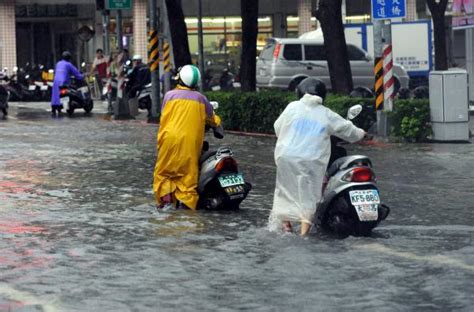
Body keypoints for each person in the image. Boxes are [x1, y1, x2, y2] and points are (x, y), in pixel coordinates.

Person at [269, 78, 366, 236]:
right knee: (309, 196)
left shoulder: (292, 107)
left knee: (285, 190)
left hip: (285, 156)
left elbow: (277, 128)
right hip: (310, 161)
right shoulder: (326, 113)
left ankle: (286, 227)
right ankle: (303, 235)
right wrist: (362, 134)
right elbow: (349, 130)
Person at [153, 64, 221, 210]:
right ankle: (188, 215)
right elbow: (212, 118)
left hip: (168, 142)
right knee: (187, 180)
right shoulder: (201, 99)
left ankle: (164, 201)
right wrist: (218, 124)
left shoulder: (169, 96)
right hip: (189, 145)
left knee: (163, 173)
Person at [50, 51, 84, 117]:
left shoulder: (58, 63)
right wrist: (82, 76)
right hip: (64, 82)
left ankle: (54, 108)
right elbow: (76, 73)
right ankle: (63, 106)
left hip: (56, 82)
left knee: (55, 95)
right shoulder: (68, 64)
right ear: (69, 58)